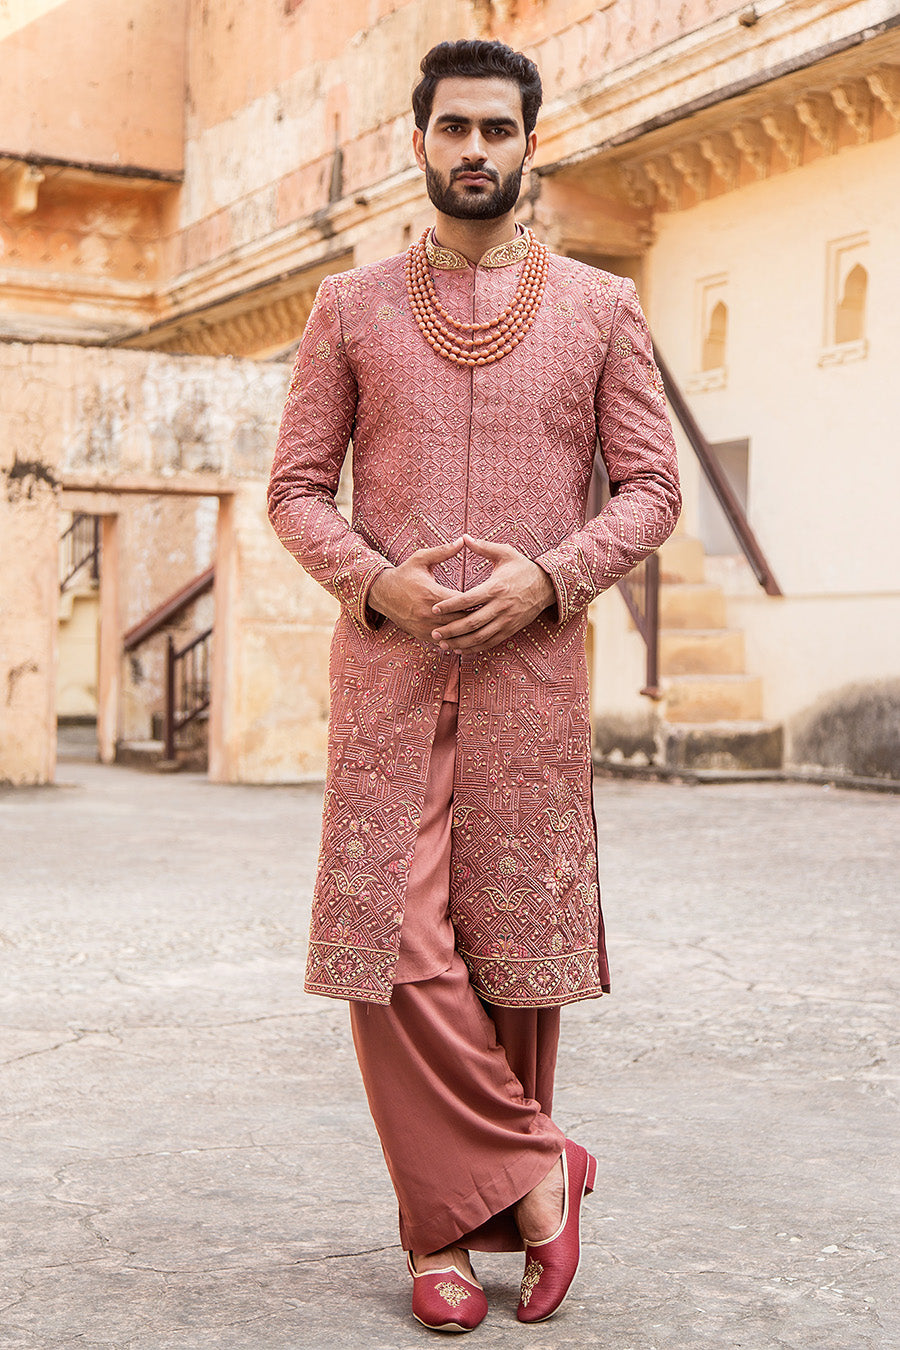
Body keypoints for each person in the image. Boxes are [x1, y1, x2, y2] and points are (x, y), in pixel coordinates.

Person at [268, 37, 680, 1332]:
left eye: (499, 130)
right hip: (390, 682)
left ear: (530, 144)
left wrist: (550, 578)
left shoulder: (602, 310)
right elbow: (292, 489)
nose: (477, 151)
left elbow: (654, 489)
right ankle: (520, 1176)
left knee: (515, 955)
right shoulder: (351, 308)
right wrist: (374, 581)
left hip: (530, 683)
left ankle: (465, 1231)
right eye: (455, 128)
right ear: (421, 139)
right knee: (392, 947)